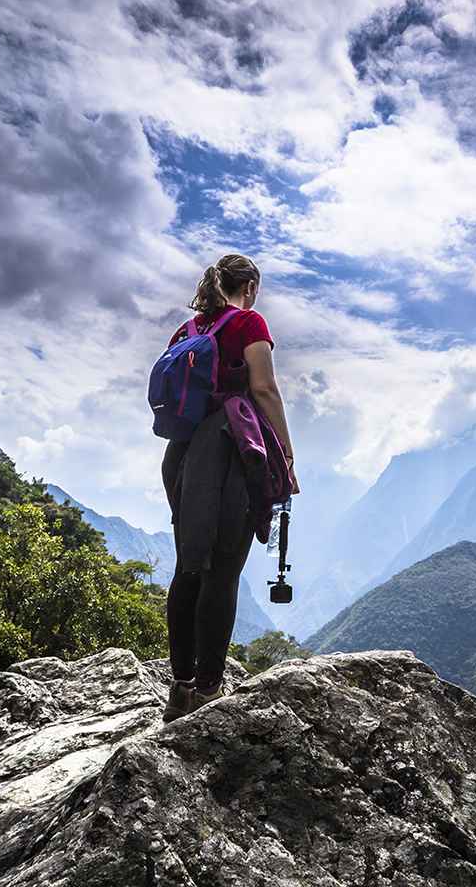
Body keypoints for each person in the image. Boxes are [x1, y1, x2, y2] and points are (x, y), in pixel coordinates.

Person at [160, 253, 298, 723]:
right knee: (222, 571)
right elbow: (264, 389)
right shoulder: (248, 323)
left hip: (181, 459)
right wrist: (286, 452)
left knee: (188, 568)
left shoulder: (187, 331)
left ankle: (180, 688)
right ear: (251, 287)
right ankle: (208, 690)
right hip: (227, 453)